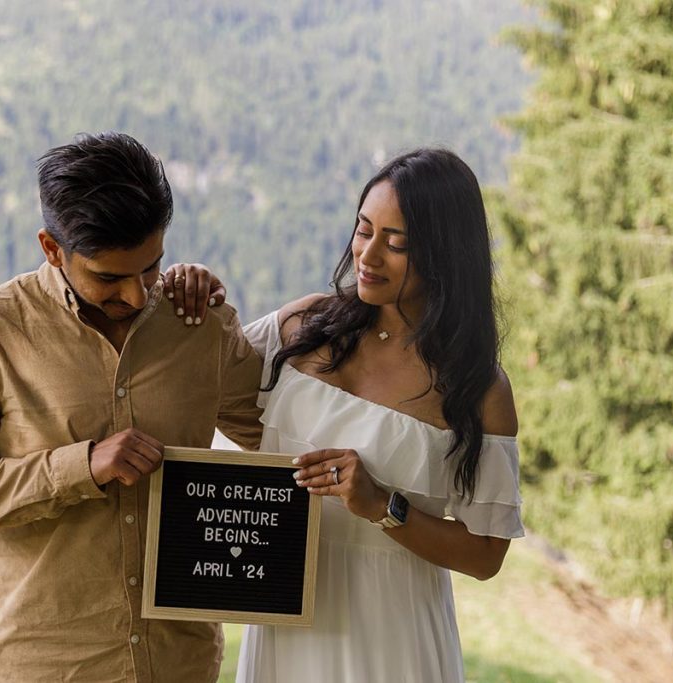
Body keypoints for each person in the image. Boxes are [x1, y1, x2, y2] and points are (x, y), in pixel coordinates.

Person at [0, 131, 264, 682]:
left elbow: (280, 429)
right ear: (52, 249)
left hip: (182, 665)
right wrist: (81, 466)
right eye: (110, 277)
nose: (139, 295)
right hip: (50, 665)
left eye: (151, 267)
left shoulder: (198, 322)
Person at [165, 148, 523, 682]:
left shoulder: (477, 389)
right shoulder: (302, 326)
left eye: (395, 242)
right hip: (283, 617)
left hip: (392, 638)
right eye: (363, 230)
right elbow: (204, 384)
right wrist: (193, 290)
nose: (368, 255)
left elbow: (486, 555)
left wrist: (382, 504)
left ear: (446, 253)